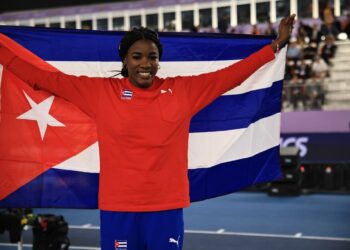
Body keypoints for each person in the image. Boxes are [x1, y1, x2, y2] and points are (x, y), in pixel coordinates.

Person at [0, 14, 295, 250]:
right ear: (125, 61)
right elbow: (43, 79)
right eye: (138, 56)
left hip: (166, 207)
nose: (146, 64)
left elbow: (229, 77)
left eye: (152, 57)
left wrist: (274, 47)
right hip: (119, 208)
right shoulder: (100, 93)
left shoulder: (182, 91)